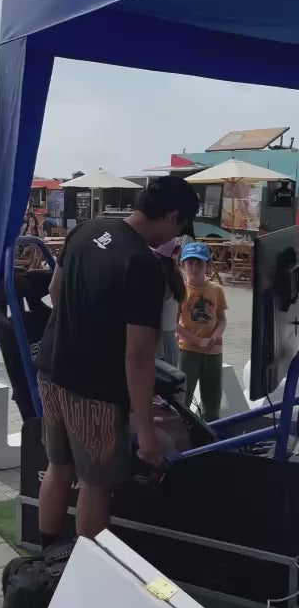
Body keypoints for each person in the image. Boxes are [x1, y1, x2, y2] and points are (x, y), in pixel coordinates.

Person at [34, 175, 199, 543]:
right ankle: (86, 569)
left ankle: (44, 556)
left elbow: (55, 290)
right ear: (171, 216)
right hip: (94, 390)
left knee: (57, 467)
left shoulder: (87, 229)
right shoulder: (142, 264)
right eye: (180, 227)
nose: (175, 237)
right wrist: (147, 432)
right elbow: (138, 357)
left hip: (51, 369)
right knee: (95, 484)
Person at [177, 242, 227, 422]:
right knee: (183, 396)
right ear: (182, 265)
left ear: (208, 265)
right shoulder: (180, 291)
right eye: (189, 263)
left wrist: (215, 335)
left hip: (213, 351)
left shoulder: (216, 290)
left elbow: (221, 318)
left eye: (199, 263)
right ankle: (183, 428)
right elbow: (173, 324)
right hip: (188, 351)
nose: (194, 267)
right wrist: (197, 341)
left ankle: (210, 429)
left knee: (212, 399)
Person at [154, 238, 185, 367]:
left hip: (160, 344)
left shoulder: (161, 281)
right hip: (170, 340)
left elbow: (156, 317)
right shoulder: (176, 276)